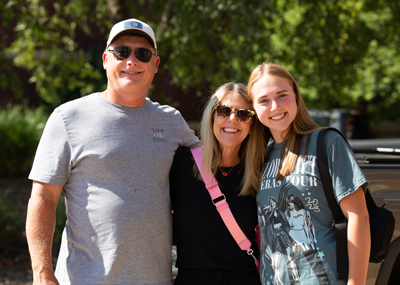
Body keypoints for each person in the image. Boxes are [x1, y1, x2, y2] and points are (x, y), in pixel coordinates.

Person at [26, 18, 201, 285]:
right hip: (85, 279)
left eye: (142, 54)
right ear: (106, 59)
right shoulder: (68, 117)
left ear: (155, 65)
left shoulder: (172, 122)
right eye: (122, 52)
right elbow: (43, 198)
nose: (131, 61)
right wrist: (42, 273)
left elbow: (212, 166)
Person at [247, 62, 370, 284]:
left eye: (282, 95)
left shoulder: (327, 143)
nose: (274, 106)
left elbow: (358, 217)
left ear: (296, 95)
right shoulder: (258, 158)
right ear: (254, 109)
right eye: (264, 100)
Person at [169, 82, 266, 284]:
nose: (232, 119)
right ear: (212, 115)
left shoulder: (260, 172)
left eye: (243, 114)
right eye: (224, 111)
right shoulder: (182, 163)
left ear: (252, 124)